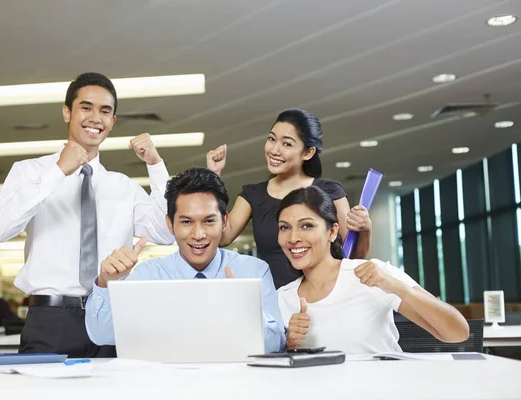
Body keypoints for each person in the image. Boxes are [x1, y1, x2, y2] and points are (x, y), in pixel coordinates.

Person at [0, 72, 175, 358]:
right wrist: (58, 172)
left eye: (105, 111)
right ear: (67, 112)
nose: (95, 118)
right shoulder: (31, 172)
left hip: (112, 315)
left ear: (113, 122)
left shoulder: (122, 186)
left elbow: (165, 232)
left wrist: (156, 165)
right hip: (51, 320)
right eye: (86, 107)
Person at [85, 167, 285, 353]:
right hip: (167, 385)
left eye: (209, 221)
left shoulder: (253, 271)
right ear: (170, 224)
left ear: (224, 221)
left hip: (231, 384)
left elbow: (275, 344)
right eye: (186, 222)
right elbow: (102, 336)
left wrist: (244, 309)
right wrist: (105, 282)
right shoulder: (147, 277)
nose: (198, 234)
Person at [275, 186, 469, 353]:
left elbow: (457, 332)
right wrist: (289, 344)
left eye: (306, 226)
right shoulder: (281, 299)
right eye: (284, 228)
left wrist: (396, 287)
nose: (293, 238)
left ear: (332, 232)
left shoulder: (372, 274)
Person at [207, 108, 372, 289]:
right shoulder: (252, 195)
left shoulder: (330, 191)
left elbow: (352, 256)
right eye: (271, 139)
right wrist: (213, 178)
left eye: (287, 144)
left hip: (324, 297)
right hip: (274, 300)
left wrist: (365, 229)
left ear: (308, 153)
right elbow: (223, 237)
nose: (274, 150)